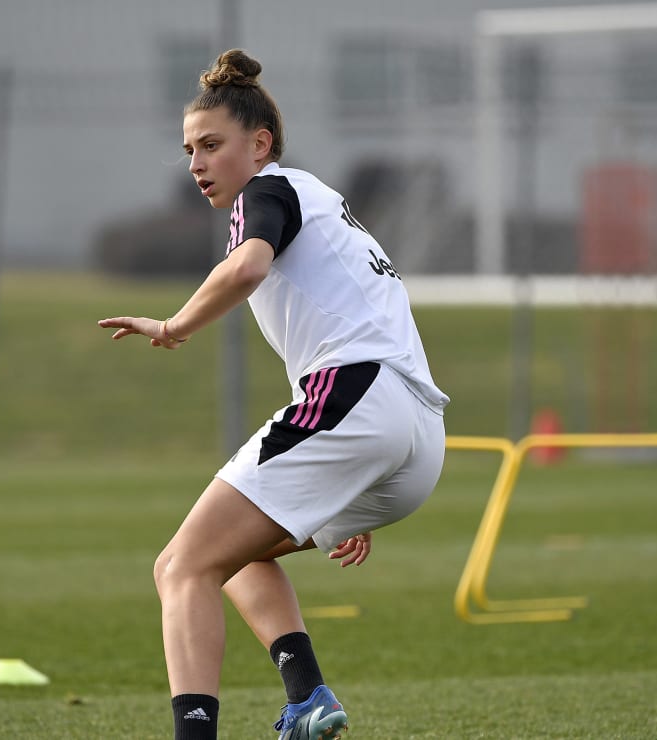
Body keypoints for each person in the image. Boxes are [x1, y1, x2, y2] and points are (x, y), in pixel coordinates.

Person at [98, 48, 449, 740]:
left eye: (211, 145)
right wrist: (358, 471)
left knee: (181, 566)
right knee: (230, 553)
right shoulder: (320, 200)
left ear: (259, 145)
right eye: (188, 149)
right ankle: (307, 696)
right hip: (413, 438)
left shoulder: (270, 190)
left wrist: (173, 326)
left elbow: (247, 268)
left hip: (359, 398)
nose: (196, 162)